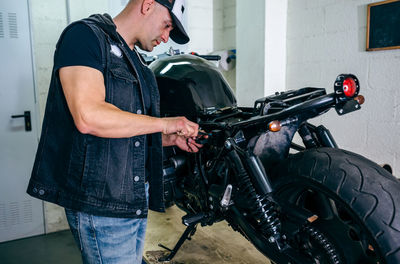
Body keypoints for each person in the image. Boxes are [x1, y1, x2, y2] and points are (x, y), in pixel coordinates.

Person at [27, 0, 202, 263]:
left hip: (132, 198)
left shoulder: (139, 64)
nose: (166, 38)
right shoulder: (85, 36)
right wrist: (165, 124)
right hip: (102, 203)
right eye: (167, 25)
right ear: (147, 5)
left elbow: (127, 128)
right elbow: (88, 116)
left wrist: (168, 139)